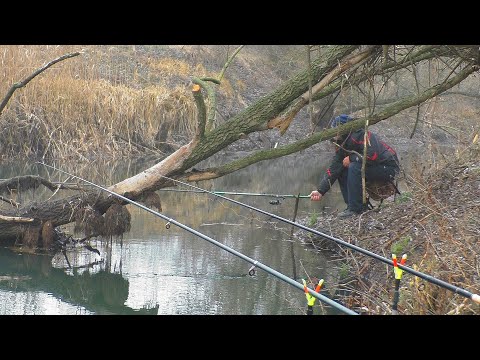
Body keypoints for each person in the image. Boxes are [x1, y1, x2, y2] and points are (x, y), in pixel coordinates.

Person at [310, 114, 400, 218]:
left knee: (354, 167)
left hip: (388, 167)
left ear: (344, 128)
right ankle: (353, 206)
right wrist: (320, 191)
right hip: (371, 167)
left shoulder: (361, 135)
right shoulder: (341, 143)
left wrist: (352, 158)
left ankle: (355, 209)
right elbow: (334, 169)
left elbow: (372, 155)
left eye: (336, 129)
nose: (334, 133)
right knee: (342, 170)